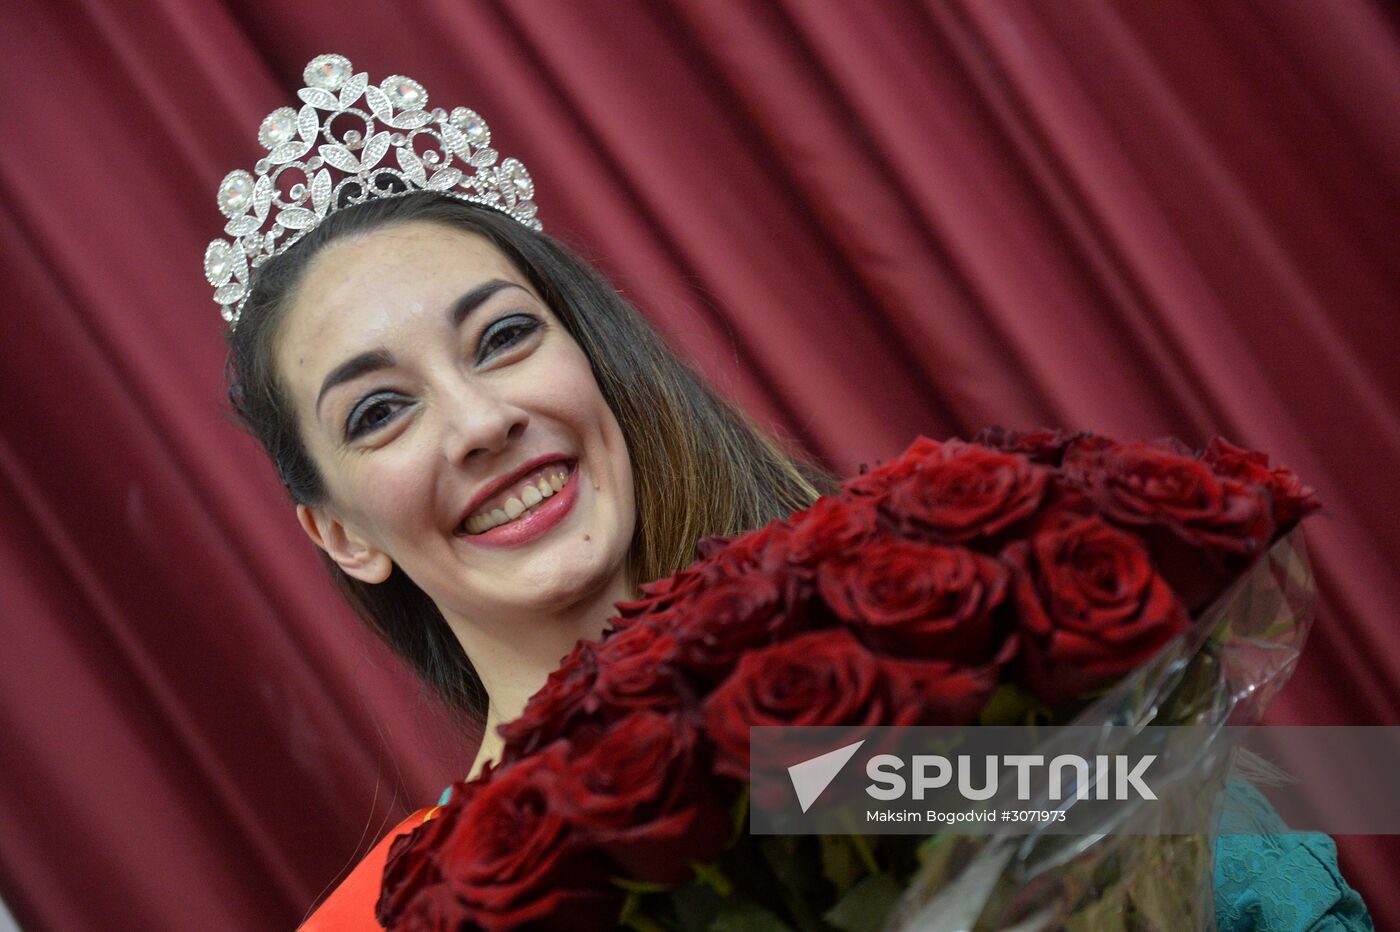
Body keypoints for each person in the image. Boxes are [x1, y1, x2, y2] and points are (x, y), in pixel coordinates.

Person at [210, 56, 1369, 931]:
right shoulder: (393, 917)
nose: (479, 420)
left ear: (590, 361)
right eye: (379, 409)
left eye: (503, 337)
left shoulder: (909, 661)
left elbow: (1268, 859)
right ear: (337, 531)